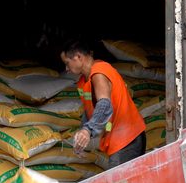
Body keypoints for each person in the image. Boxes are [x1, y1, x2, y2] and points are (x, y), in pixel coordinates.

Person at [60, 38, 146, 169]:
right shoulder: (84, 81)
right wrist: (81, 137)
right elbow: (89, 111)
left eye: (67, 63)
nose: (66, 68)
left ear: (78, 57)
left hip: (127, 137)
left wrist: (88, 131)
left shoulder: (99, 72)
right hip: (119, 138)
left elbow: (104, 105)